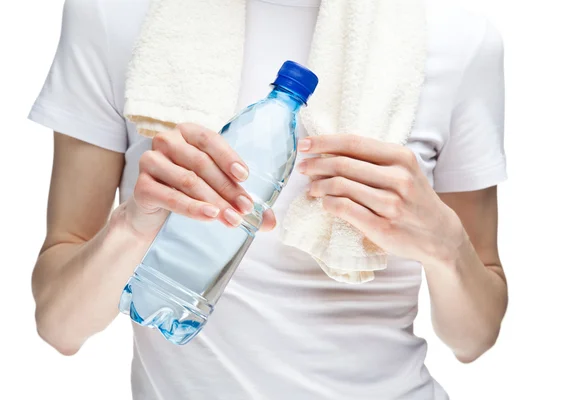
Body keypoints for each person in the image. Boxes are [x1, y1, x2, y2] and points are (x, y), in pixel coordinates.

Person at [28, 0, 508, 399]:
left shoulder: (456, 38)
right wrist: (132, 225)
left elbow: (474, 339)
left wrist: (446, 245)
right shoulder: (115, 15)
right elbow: (59, 326)